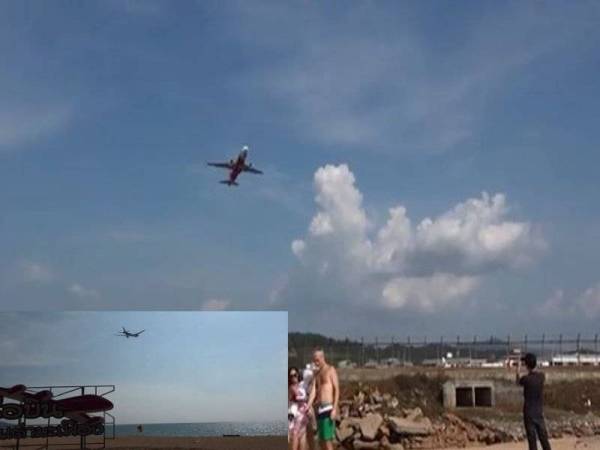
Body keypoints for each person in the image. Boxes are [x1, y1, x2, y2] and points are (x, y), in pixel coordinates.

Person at [516, 352, 552, 450]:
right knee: (543, 438)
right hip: (539, 411)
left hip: (528, 412)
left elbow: (518, 381)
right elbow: (541, 374)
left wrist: (518, 368)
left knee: (532, 441)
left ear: (526, 365)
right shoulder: (541, 377)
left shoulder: (526, 379)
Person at [307, 348, 339, 450]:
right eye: (314, 360)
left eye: (317, 360)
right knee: (321, 441)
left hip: (328, 407)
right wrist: (308, 405)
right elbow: (313, 391)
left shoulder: (330, 370)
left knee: (327, 441)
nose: (315, 362)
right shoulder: (317, 374)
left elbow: (337, 389)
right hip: (320, 409)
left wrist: (334, 408)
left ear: (322, 357)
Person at [288, 366, 309, 450]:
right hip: (294, 417)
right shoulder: (291, 388)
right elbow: (298, 397)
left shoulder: (302, 385)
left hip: (303, 418)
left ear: (298, 374)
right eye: (291, 376)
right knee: (294, 444)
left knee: (303, 445)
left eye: (295, 375)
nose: (293, 377)